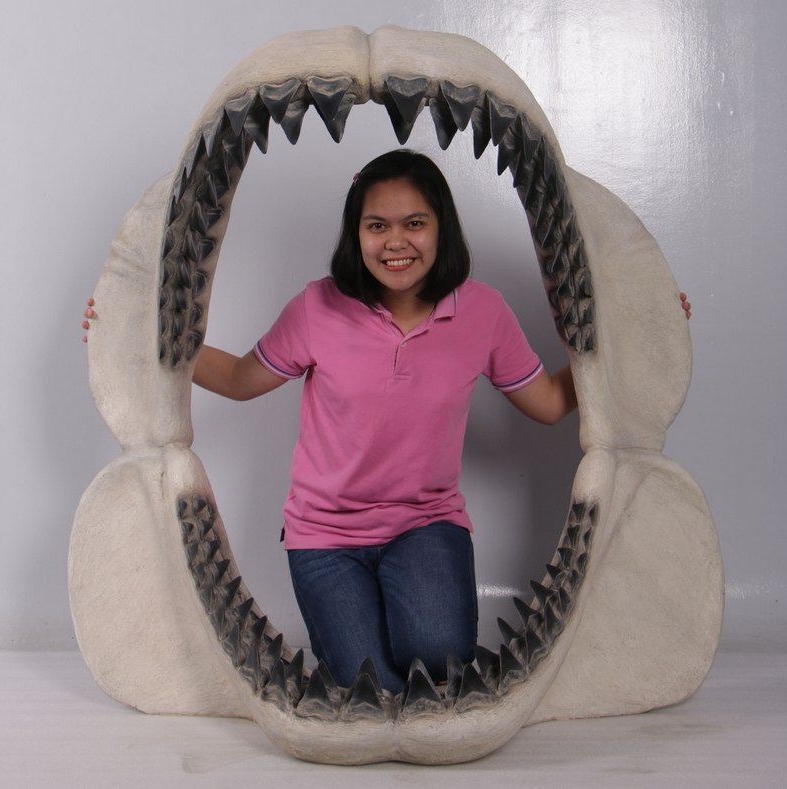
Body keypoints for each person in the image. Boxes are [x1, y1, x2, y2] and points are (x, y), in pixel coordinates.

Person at [82, 149, 691, 695]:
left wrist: (640, 330)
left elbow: (552, 402)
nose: (395, 241)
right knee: (367, 688)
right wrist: (138, 332)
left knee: (439, 664)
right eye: (377, 225)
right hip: (323, 539)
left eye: (414, 223)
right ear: (357, 234)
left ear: (441, 227)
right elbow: (241, 380)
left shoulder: (482, 311)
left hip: (426, 528)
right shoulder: (318, 306)